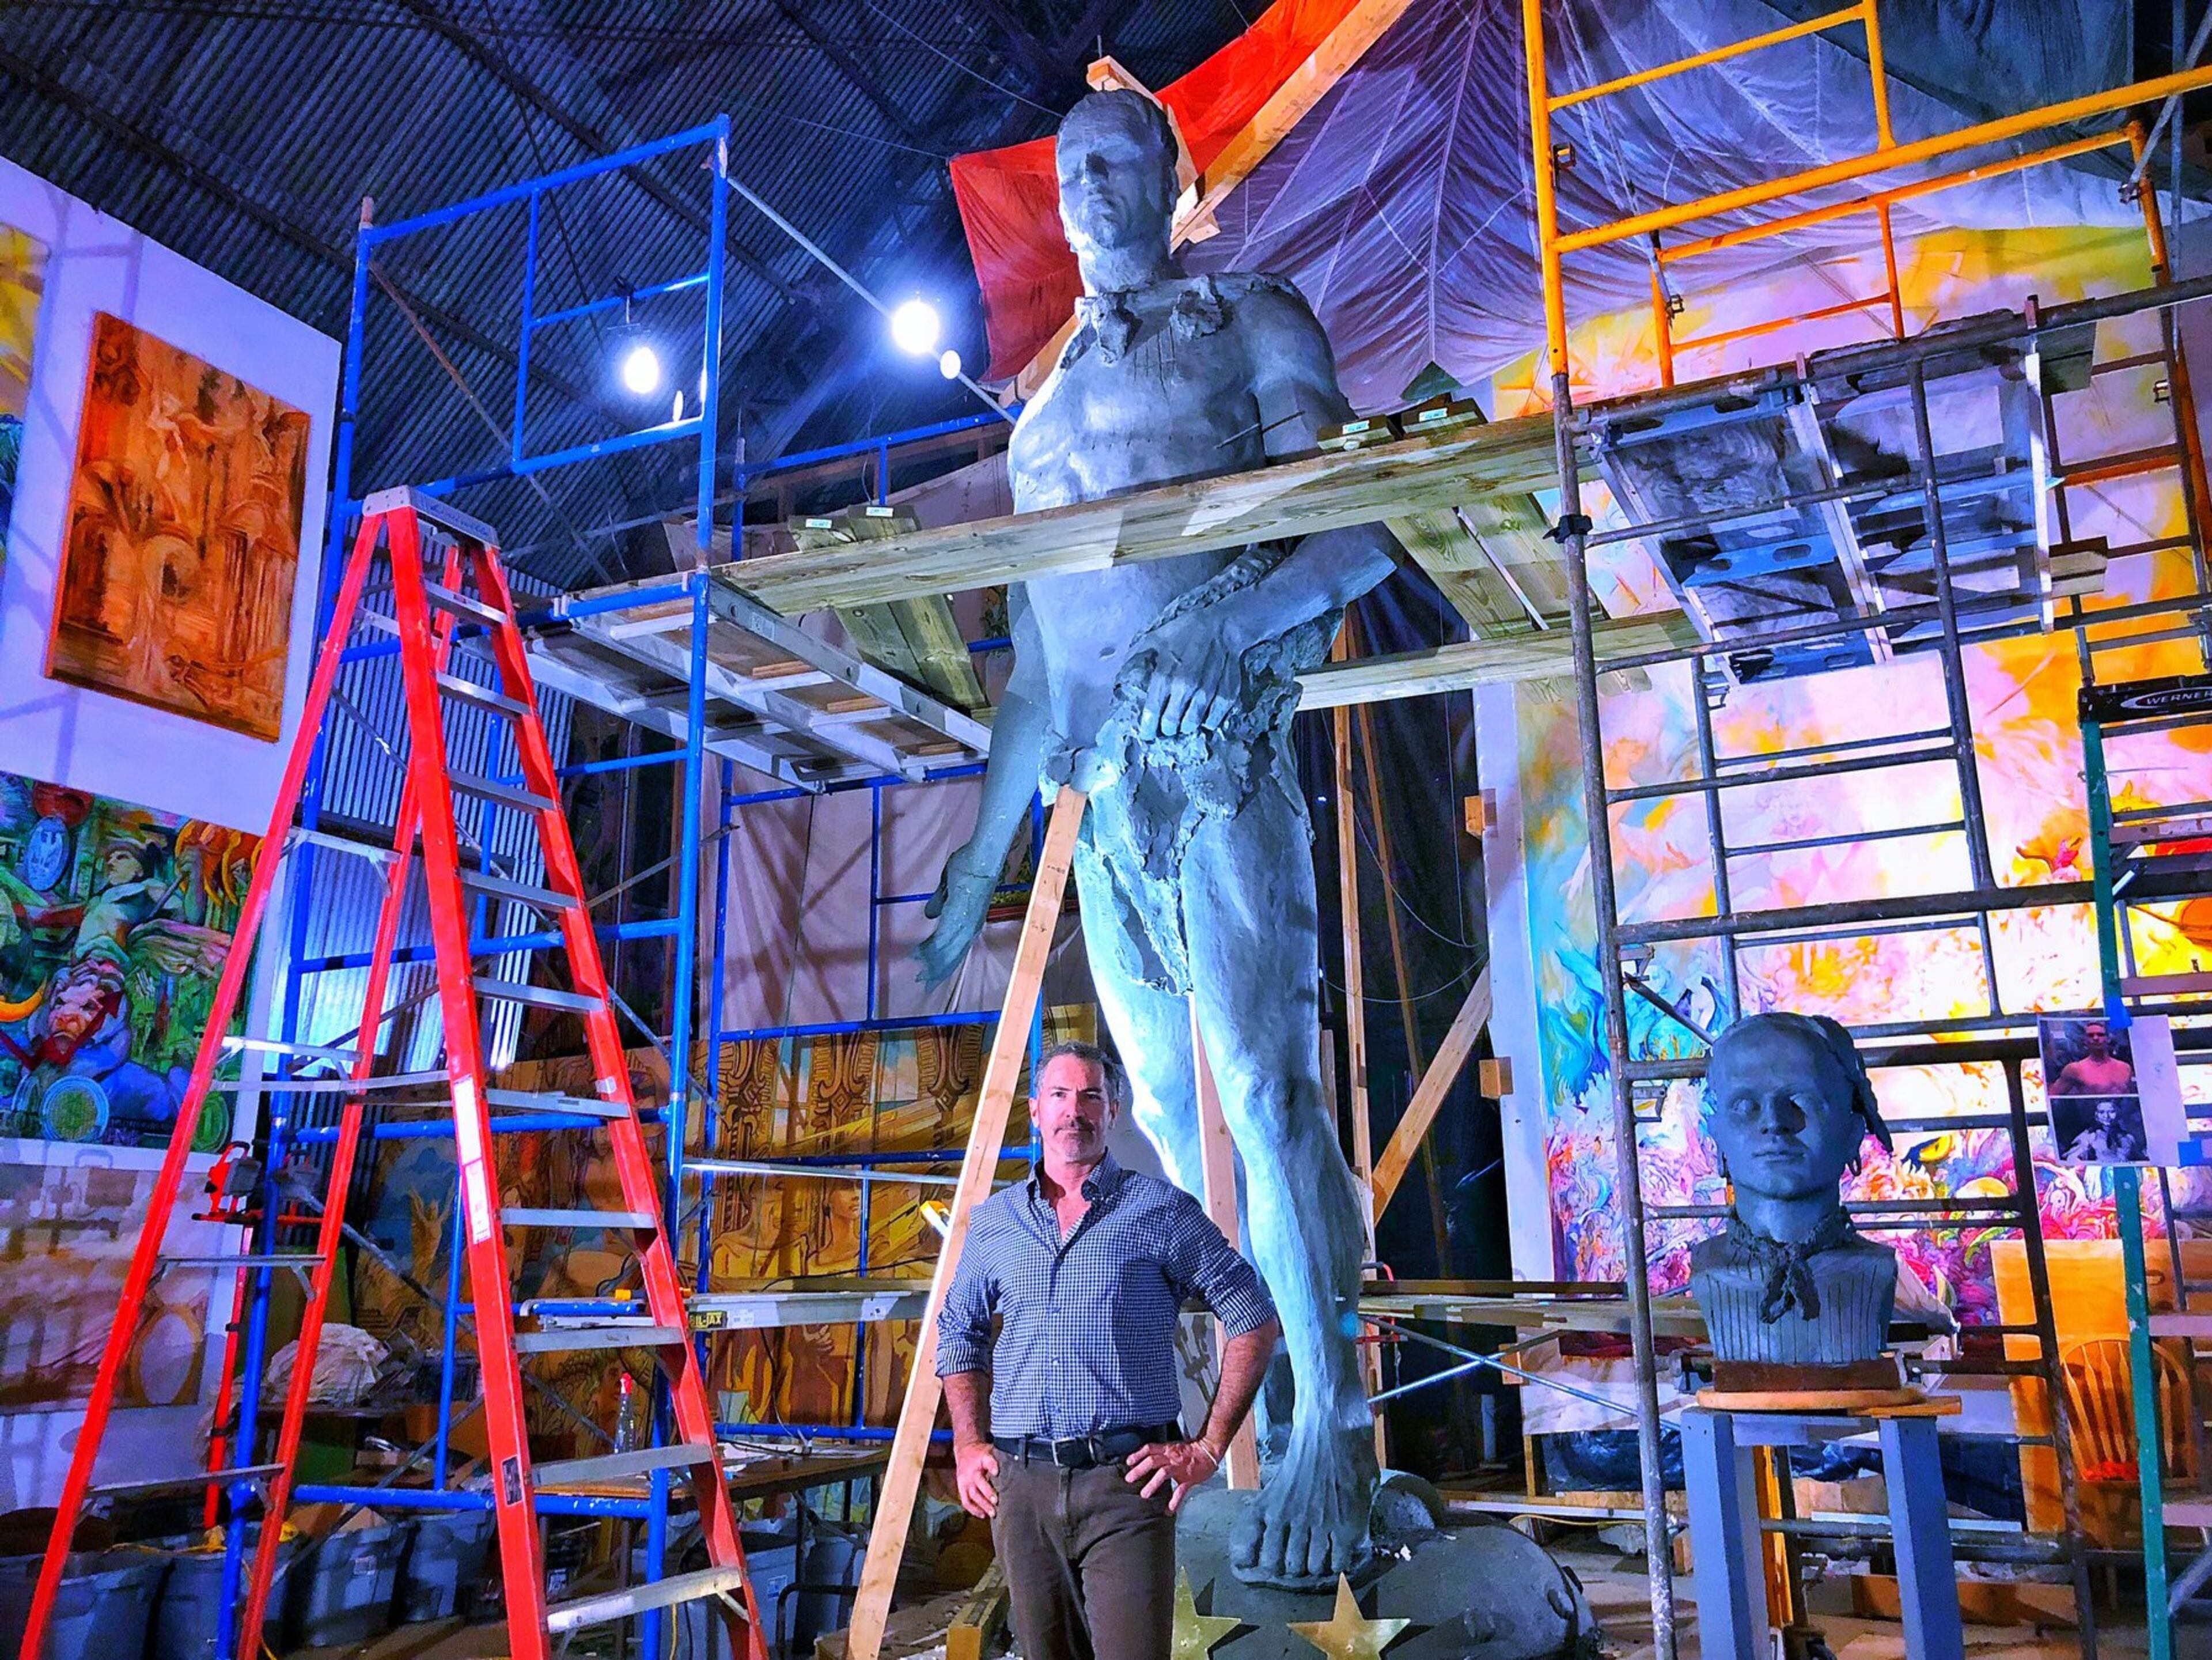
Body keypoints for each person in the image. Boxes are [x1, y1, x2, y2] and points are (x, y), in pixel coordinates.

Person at [916, 85, 1396, 1587]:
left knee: (1264, 1086)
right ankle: (1226, 1434)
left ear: (1177, 177)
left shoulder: (1251, 315)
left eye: (1119, 159)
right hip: (1106, 800)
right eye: (1069, 170)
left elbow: (1357, 525)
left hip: (1225, 748)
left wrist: (1230, 630)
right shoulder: (1045, 403)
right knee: (1174, 1136)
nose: (1091, 186)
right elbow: (1048, 649)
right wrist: (994, 831)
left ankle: (1337, 1425)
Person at [937, 1042, 1279, 1660]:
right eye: (1061, 1096)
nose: (1076, 1111)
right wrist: (966, 1444)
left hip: (1126, 1488)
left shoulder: (1161, 1211)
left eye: (1091, 1095)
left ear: (1113, 1110)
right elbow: (959, 1330)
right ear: (1035, 1111)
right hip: (1021, 1490)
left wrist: (1208, 1447)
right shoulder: (995, 1223)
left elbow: (1253, 1318)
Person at [2051, 1020, 2134, 1096]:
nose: (2096, 1038)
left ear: (2108, 1039)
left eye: (2100, 1035)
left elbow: (2132, 1101)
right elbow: (2053, 1095)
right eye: (2091, 1036)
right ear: (2085, 1041)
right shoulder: (2075, 1069)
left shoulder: (2125, 1068)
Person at [2064, 1097, 2143, 1163]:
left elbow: (2140, 1160)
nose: (2106, 1116)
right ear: (2097, 1115)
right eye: (2102, 1112)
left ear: (2119, 1113)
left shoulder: (2129, 1138)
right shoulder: (2089, 1137)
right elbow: (2071, 1159)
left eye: (2112, 1112)